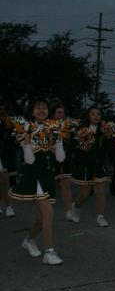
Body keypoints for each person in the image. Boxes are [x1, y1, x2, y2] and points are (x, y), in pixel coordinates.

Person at [13, 98, 66, 265]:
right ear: (32, 111)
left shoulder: (53, 128)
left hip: (47, 176)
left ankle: (29, 240)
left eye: (44, 108)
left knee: (42, 217)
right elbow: (28, 160)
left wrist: (59, 139)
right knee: (49, 212)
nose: (41, 110)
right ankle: (49, 252)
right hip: (33, 175)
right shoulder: (25, 129)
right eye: (38, 108)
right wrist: (27, 139)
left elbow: (60, 158)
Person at [70, 106, 115, 228]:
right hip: (85, 165)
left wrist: (112, 137)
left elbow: (109, 147)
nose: (96, 116)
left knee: (100, 192)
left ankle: (100, 217)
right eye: (93, 114)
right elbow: (74, 146)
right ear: (88, 116)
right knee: (84, 194)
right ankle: (76, 207)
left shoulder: (104, 130)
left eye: (98, 114)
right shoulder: (80, 130)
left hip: (99, 165)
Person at [50, 105, 76, 218]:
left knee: (66, 184)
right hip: (52, 159)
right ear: (53, 114)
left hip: (65, 158)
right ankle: (47, 211)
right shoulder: (48, 127)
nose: (62, 115)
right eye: (59, 112)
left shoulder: (68, 127)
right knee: (52, 185)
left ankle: (69, 211)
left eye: (63, 112)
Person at [0, 103, 18, 217]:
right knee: (3, 179)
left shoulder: (9, 124)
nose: (2, 111)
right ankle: (8, 206)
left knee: (4, 180)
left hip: (5, 155)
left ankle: (7, 207)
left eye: (4, 109)